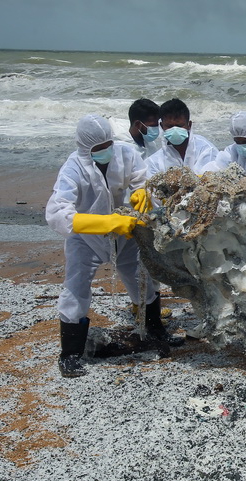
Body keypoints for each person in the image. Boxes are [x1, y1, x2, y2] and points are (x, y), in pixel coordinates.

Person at [45, 115, 180, 378]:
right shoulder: (73, 169)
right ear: (85, 148)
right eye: (98, 148)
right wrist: (105, 223)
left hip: (123, 231)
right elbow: (57, 213)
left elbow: (144, 179)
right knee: (76, 286)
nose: (105, 150)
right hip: (86, 238)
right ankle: (70, 353)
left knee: (141, 278)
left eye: (107, 143)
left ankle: (155, 330)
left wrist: (143, 192)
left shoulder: (124, 154)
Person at [146, 98, 220, 178]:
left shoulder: (206, 150)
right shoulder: (154, 162)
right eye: (169, 126)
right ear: (162, 126)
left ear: (189, 125)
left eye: (179, 126)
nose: (175, 130)